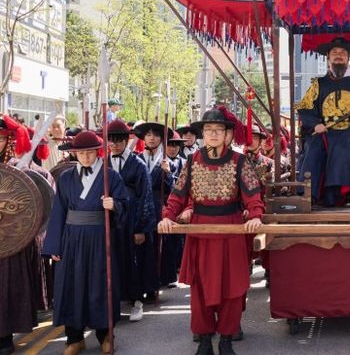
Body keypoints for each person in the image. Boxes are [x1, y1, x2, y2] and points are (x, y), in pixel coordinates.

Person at [158, 106, 264, 355]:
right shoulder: (192, 161)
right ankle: (204, 341)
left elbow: (252, 194)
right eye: (209, 130)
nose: (214, 134)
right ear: (203, 134)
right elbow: (178, 195)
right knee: (200, 290)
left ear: (226, 134)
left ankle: (226, 340)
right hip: (201, 233)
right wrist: (168, 217)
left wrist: (255, 216)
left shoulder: (239, 161)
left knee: (232, 290)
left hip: (231, 231)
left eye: (219, 129)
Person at [42, 130, 128, 354]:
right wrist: (54, 246)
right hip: (71, 239)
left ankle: (105, 335)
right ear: (74, 154)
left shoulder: (111, 177)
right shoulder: (65, 178)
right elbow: (58, 212)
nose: (86, 157)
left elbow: (126, 207)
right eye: (81, 153)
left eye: (90, 152)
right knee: (72, 286)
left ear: (98, 152)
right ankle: (74, 338)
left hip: (100, 238)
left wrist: (115, 205)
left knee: (101, 285)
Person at [295, 37, 350, 206]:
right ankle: (309, 194)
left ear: (348, 58)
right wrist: (315, 124)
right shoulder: (318, 84)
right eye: (334, 52)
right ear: (328, 57)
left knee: (346, 149)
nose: (338, 55)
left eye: (342, 53)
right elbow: (304, 108)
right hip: (324, 130)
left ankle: (346, 194)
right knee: (313, 148)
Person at [0, 116, 46, 355]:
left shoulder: (20, 166)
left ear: (8, 140)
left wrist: (27, 175)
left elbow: (37, 196)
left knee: (7, 286)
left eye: (0, 138)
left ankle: (5, 335)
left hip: (11, 236)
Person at [107, 119, 157, 323]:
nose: (114, 145)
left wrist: (141, 228)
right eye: (110, 140)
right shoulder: (104, 163)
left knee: (134, 260)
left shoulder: (138, 164)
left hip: (132, 218)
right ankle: (114, 302)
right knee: (113, 261)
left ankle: (137, 301)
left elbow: (146, 197)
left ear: (126, 141)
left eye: (118, 140)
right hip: (112, 219)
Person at [134, 122, 179, 289]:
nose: (152, 138)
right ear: (143, 138)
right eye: (148, 135)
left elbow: (174, 189)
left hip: (158, 204)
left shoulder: (167, 162)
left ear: (161, 139)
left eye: (156, 135)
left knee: (160, 243)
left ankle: (161, 278)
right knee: (142, 244)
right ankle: (143, 281)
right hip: (139, 206)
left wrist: (167, 173)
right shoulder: (136, 159)